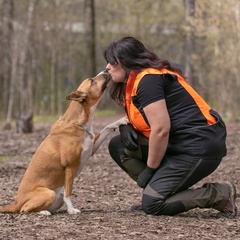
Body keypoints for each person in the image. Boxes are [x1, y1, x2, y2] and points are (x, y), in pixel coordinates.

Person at [104, 36, 237, 217]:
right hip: (176, 145)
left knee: (153, 205)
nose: (107, 67)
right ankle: (163, 190)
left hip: (197, 147)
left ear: (127, 61)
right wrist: (125, 126)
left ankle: (219, 194)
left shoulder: (148, 80)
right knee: (118, 145)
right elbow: (144, 116)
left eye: (112, 62)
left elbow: (161, 129)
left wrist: (150, 169)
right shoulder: (137, 81)